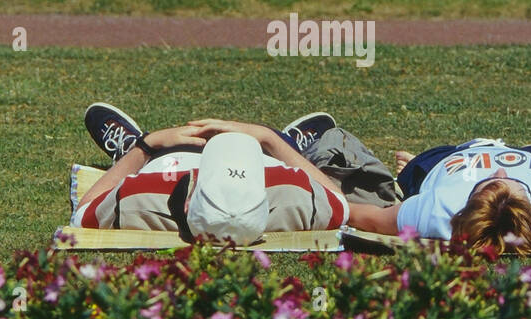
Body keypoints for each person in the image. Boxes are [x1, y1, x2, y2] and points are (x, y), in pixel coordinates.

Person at [72, 103, 350, 243]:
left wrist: (148, 145)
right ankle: (289, 145)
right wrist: (268, 139)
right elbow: (339, 202)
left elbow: (84, 211)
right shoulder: (293, 192)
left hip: (169, 158)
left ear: (188, 198)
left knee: (151, 153)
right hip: (269, 158)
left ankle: (128, 147)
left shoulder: (144, 196)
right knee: (285, 154)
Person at [345, 138, 531, 254]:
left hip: (449, 160)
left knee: (415, 172)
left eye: (489, 183)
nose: (500, 172)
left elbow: (362, 217)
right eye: (509, 183)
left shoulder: (436, 209)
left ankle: (412, 169)